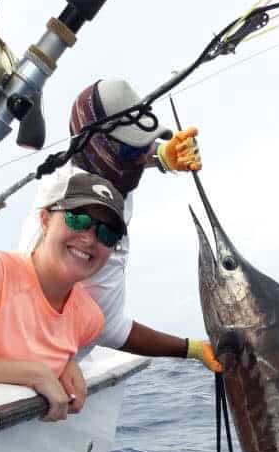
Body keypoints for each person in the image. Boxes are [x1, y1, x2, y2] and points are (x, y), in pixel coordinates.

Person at [19, 79, 221, 398]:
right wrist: (191, 349)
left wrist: (163, 157)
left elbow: (121, 153)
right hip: (36, 373)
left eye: (146, 145)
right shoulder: (76, 215)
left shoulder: (97, 172)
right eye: (132, 149)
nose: (142, 157)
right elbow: (111, 330)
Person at [0, 173, 128, 422]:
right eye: (77, 218)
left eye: (106, 233)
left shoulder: (90, 319)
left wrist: (65, 364)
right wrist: (35, 373)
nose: (89, 239)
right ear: (45, 219)